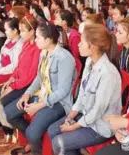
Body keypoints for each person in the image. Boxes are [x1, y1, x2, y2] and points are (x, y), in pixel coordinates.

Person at [47, 24, 122, 155]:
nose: (78, 45)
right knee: (52, 130)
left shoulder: (108, 73)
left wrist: (74, 126)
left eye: (82, 42)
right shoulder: (89, 62)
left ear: (92, 47)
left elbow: (98, 110)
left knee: (59, 142)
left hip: (101, 126)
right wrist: (70, 117)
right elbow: (82, 94)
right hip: (87, 114)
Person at [5, 22, 76, 155]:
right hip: (42, 94)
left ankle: (35, 147)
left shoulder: (64, 58)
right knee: (9, 114)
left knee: (32, 132)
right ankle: (34, 141)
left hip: (58, 102)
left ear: (48, 40)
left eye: (38, 37)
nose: (35, 39)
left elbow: (63, 91)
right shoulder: (44, 52)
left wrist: (39, 105)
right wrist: (27, 94)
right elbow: (39, 78)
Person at [0, 16, 41, 154]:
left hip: (27, 86)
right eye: (19, 30)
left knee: (1, 107)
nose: (20, 34)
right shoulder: (26, 44)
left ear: (32, 32)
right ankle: (8, 133)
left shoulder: (37, 49)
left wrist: (12, 86)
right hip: (17, 82)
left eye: (22, 30)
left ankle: (27, 139)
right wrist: (10, 80)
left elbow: (30, 77)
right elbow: (18, 66)